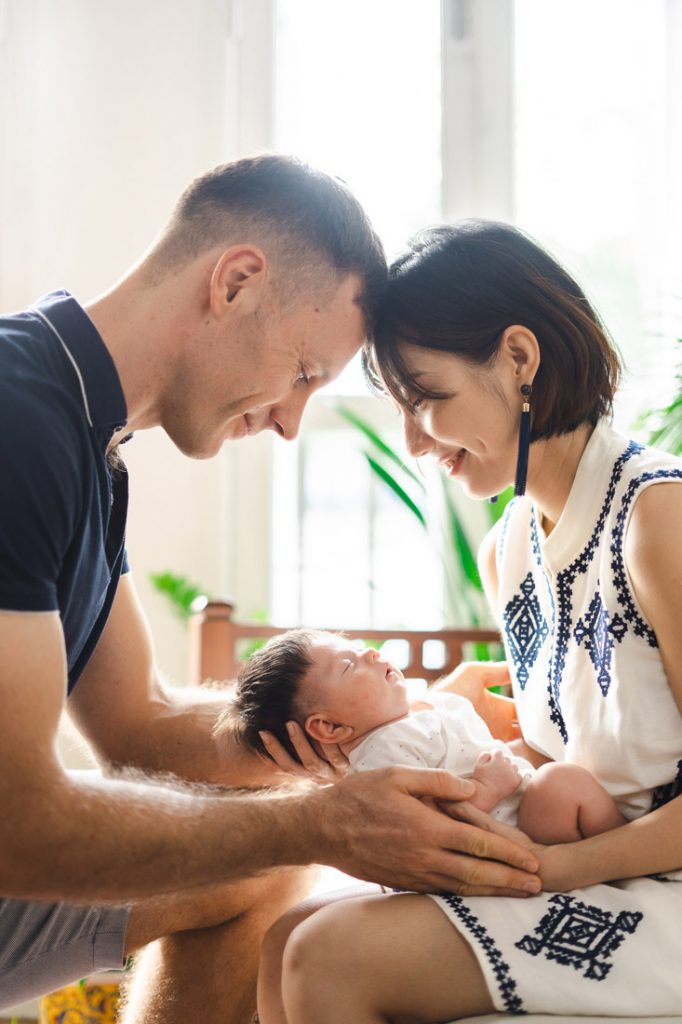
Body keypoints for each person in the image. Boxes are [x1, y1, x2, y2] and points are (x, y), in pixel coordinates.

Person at [0, 163, 541, 1021]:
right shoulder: (17, 420)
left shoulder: (82, 439)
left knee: (265, 867)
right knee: (281, 849)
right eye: (301, 371)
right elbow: (18, 825)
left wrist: (399, 722)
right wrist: (318, 822)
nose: (292, 422)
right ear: (237, 281)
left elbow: (137, 725)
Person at [255, 220, 682, 1024]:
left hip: (654, 888)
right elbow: (558, 753)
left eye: (432, 402)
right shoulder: (510, 547)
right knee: (285, 937)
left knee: (329, 956)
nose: (416, 443)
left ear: (520, 359)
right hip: (577, 858)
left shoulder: (660, 517)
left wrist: (539, 871)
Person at [229, 627, 627, 841]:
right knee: (561, 781)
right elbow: (422, 827)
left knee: (563, 778)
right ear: (329, 727)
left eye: (357, 647)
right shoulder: (383, 755)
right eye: (349, 666)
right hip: (510, 835)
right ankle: (622, 858)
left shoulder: (420, 707)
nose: (370, 653)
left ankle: (621, 852)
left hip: (521, 806)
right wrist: (488, 788)